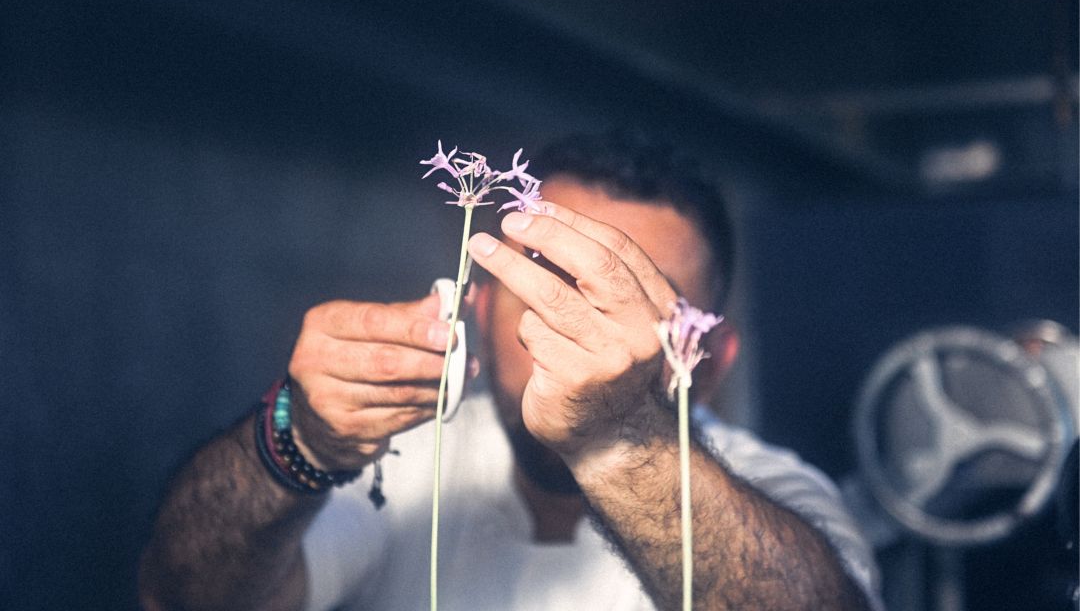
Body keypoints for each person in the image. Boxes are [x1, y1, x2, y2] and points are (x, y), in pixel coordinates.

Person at [139, 131, 882, 611]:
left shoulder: (776, 494)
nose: (567, 327)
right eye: (546, 285)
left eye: (624, 301)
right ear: (484, 303)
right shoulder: (407, 463)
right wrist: (296, 442)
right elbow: (181, 598)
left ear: (710, 361)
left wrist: (620, 439)